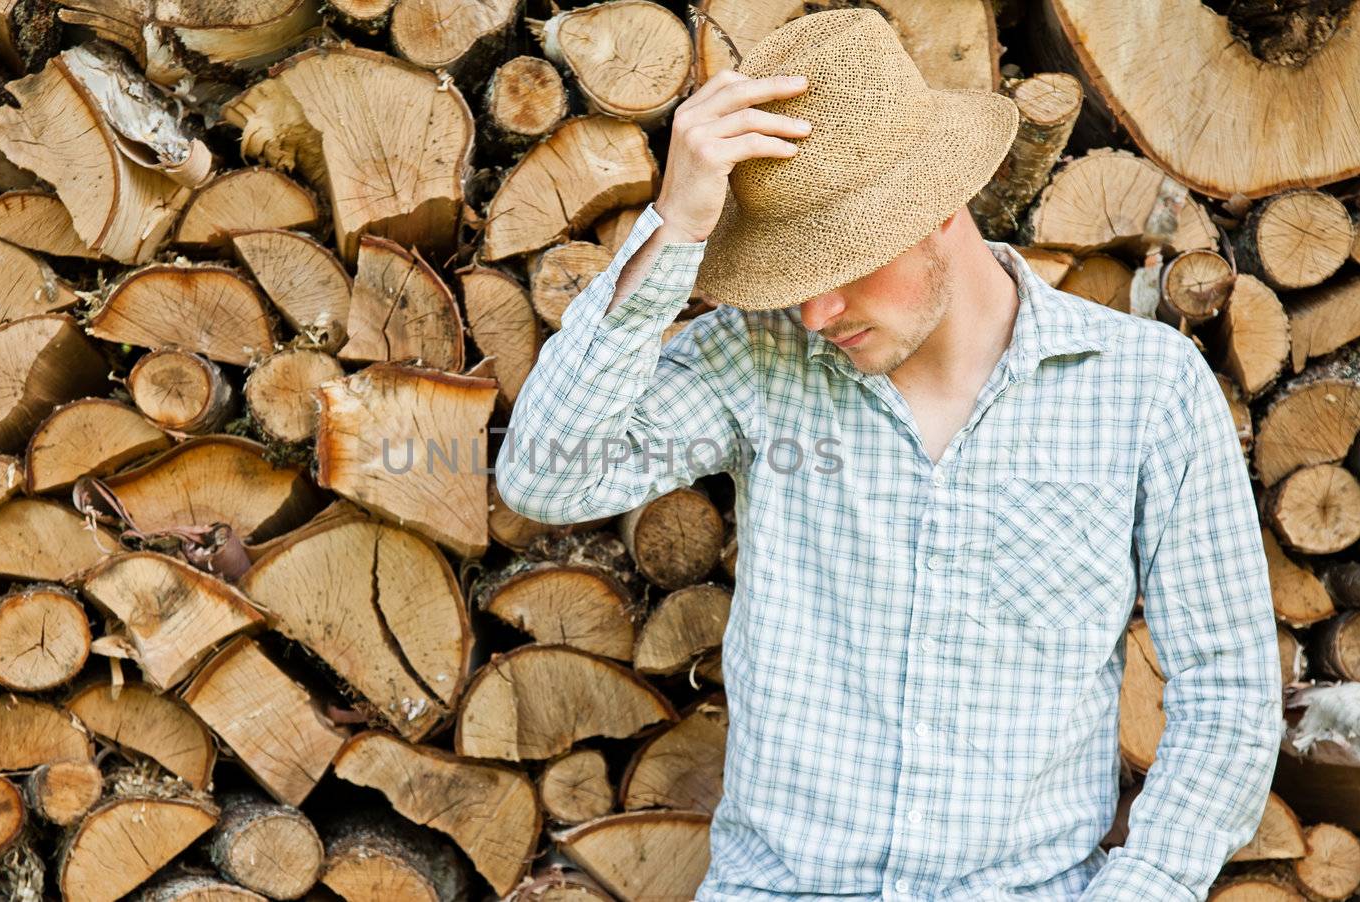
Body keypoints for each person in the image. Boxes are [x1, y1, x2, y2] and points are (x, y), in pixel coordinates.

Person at [494, 9, 1283, 901]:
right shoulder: (761, 359)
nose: (816, 315)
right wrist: (672, 227)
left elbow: (1229, 690)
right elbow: (544, 475)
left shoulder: (1148, 388)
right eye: (794, 279)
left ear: (938, 205)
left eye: (846, 264)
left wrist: (1144, 888)